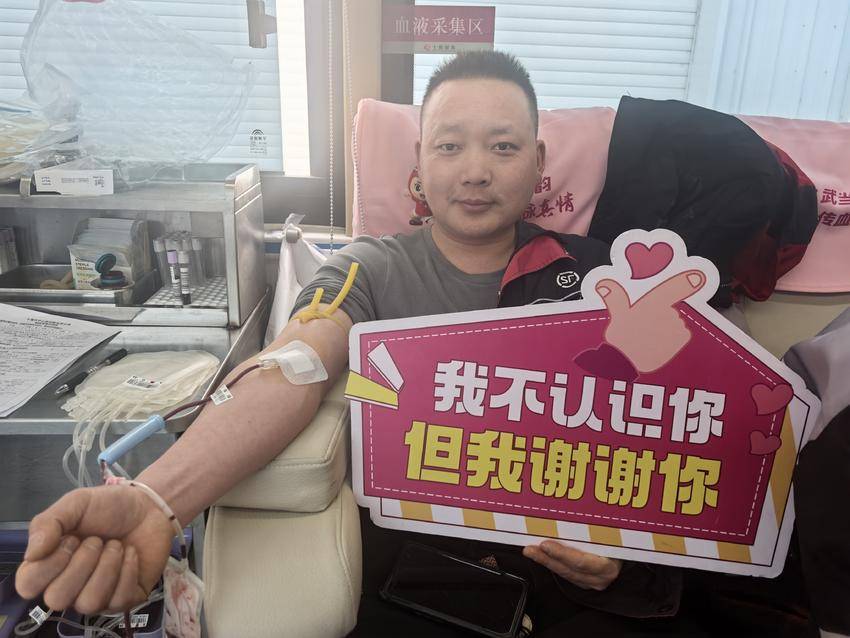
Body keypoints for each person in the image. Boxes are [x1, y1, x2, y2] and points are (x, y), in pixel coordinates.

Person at [14, 51, 813, 636]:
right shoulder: (369, 269)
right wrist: (158, 498)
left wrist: (625, 558)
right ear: (419, 166)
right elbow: (295, 365)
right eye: (449, 145)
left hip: (579, 586)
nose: (476, 170)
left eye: (504, 147)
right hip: (429, 584)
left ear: (538, 164)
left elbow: (680, 434)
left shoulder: (605, 280)